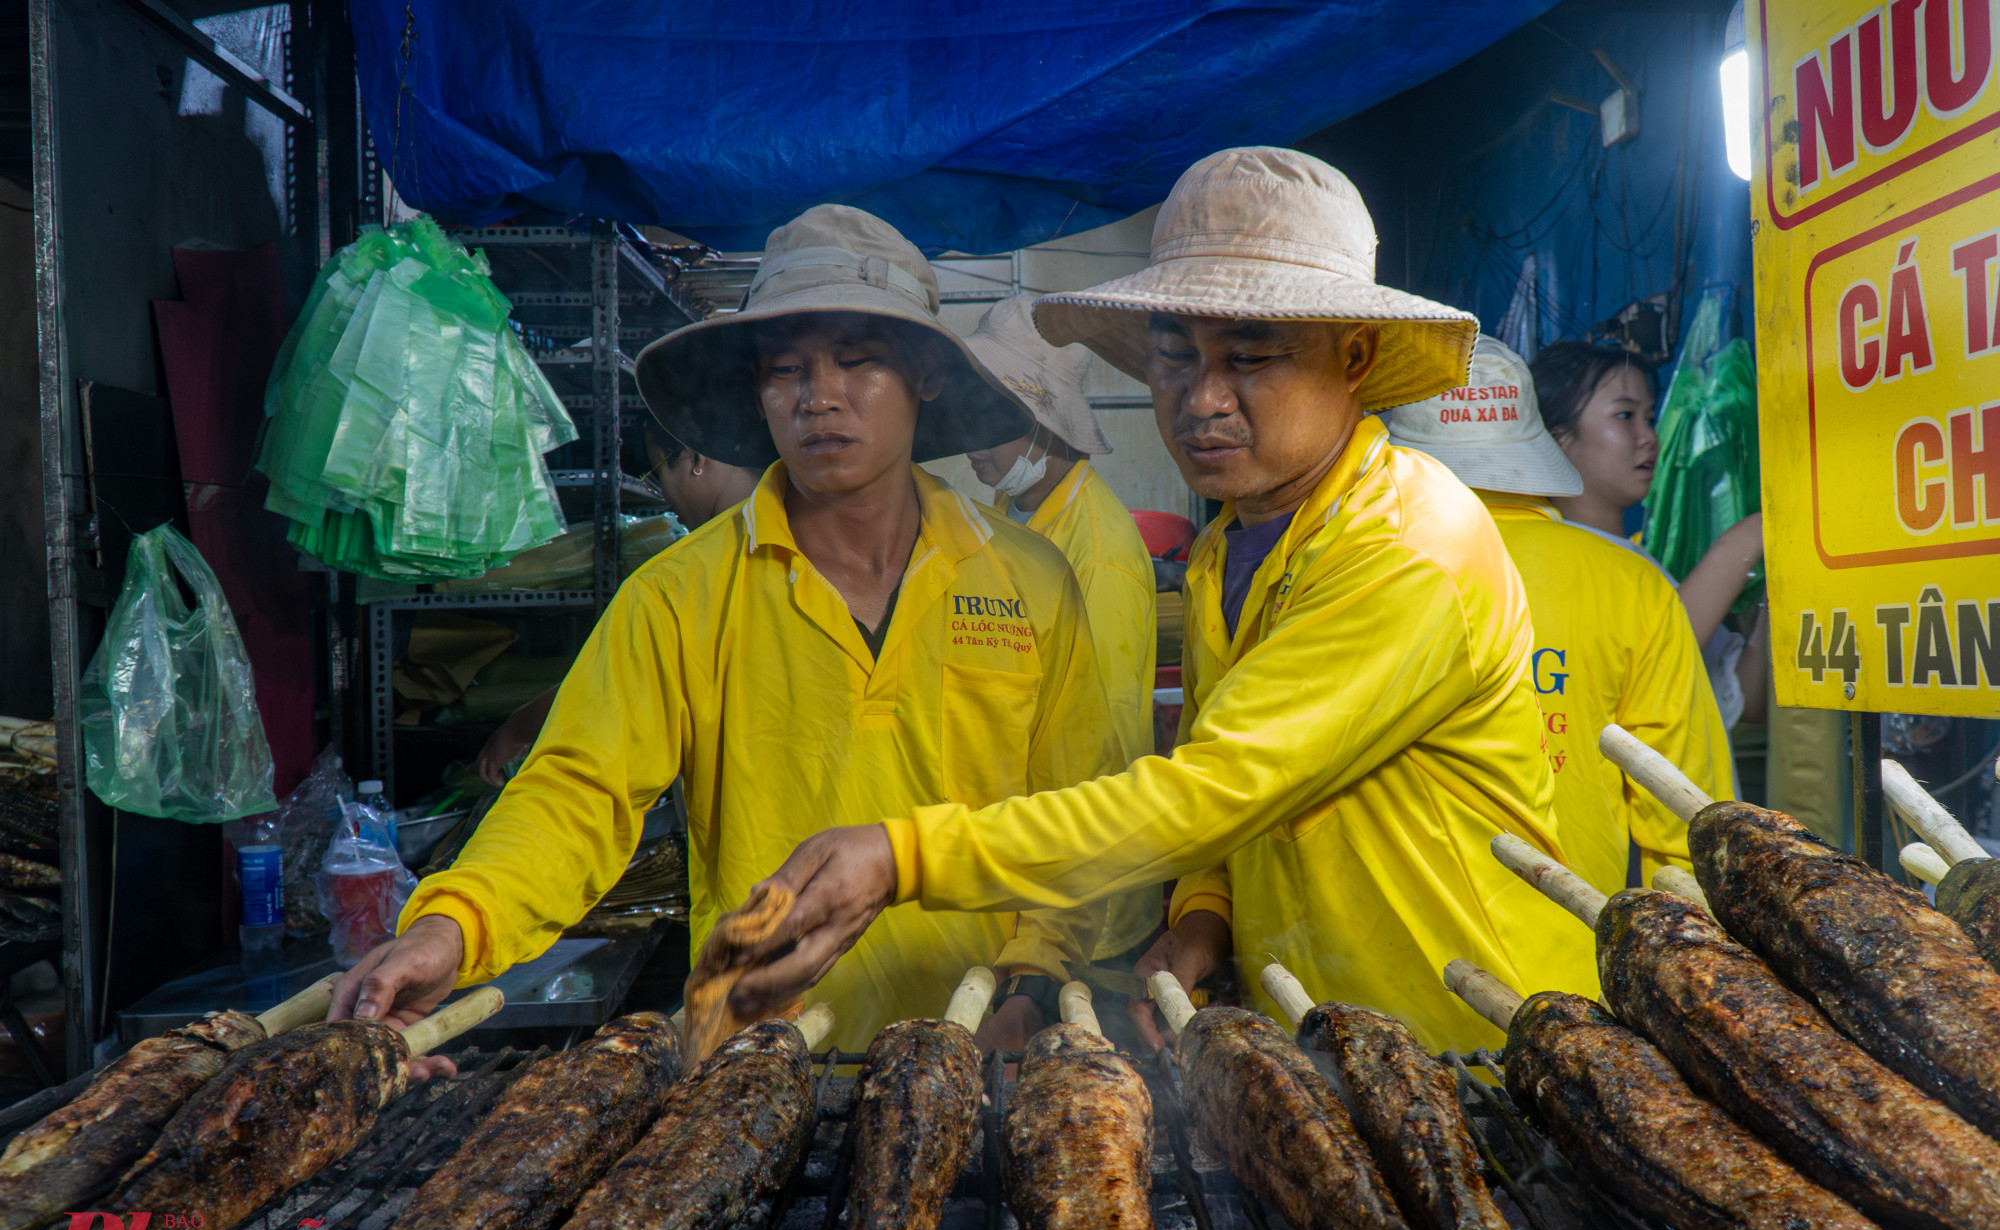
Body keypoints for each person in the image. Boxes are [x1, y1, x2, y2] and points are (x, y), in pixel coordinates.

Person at [722, 148, 1599, 1055]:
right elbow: (1239, 794)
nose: (1202, 400)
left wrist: (904, 856)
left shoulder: (1411, 543)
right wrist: (1207, 915)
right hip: (1322, 1052)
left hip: (1479, 1047)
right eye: (1176, 356)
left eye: (1251, 358)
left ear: (1356, 355)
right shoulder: (1227, 550)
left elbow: (1209, 791)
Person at [332, 204, 1120, 1055]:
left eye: (857, 361)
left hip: (980, 1050)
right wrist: (453, 924)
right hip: (752, 1067)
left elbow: (1081, 817)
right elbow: (574, 795)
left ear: (927, 374)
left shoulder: (1032, 583)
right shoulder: (680, 595)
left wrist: (1036, 981)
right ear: (756, 390)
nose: (820, 397)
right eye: (786, 370)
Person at [1383, 335, 1734, 894]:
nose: (1650, 435)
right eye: (1625, 414)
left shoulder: (1348, 574)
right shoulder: (1631, 585)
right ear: (1541, 442)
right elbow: (1683, 816)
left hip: (1373, 954)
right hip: (1571, 946)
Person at [962, 295, 1161, 960]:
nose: (971, 441)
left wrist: (1059, 923)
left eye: (993, 419)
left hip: (1086, 910)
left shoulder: (1096, 554)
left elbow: (1099, 754)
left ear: (1046, 423)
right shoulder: (1016, 509)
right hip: (1028, 865)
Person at [473, 431, 760, 787]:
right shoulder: (791, 530)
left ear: (695, 458)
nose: (666, 498)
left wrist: (518, 727)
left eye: (657, 476)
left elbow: (620, 677)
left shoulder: (702, 566)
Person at [1529, 341, 1769, 730]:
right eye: (1625, 416)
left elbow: (1745, 699)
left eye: (1650, 416)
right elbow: (1659, 656)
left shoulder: (1641, 563)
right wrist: (1745, 541)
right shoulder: (1554, 565)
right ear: (1559, 438)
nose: (1649, 437)